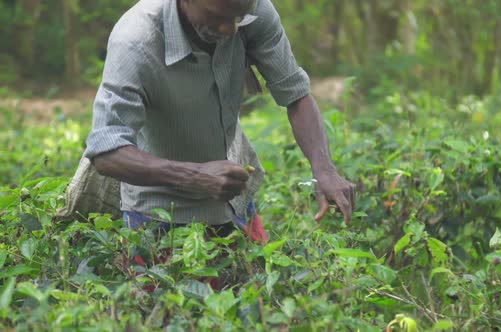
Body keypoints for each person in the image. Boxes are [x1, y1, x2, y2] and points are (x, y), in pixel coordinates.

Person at [84, 0, 355, 238]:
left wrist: (324, 170)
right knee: (164, 298)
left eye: (238, 17)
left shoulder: (255, 11)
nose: (230, 30)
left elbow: (296, 94)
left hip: (234, 202)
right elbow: (107, 152)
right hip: (160, 215)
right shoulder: (137, 39)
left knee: (253, 293)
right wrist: (195, 176)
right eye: (217, 17)